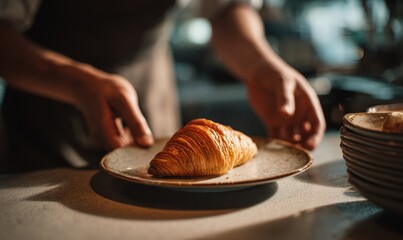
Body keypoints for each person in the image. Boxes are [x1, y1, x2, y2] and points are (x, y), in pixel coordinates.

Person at [0, 0, 325, 166]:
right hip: (45, 107)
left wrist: (259, 64)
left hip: (152, 103)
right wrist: (77, 84)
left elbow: (226, 9)